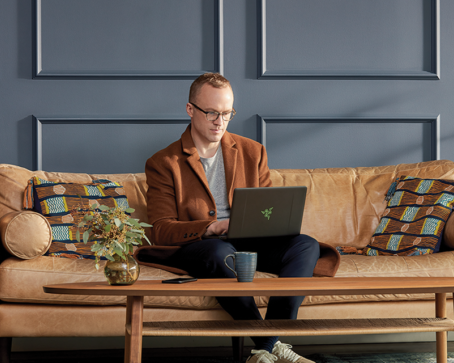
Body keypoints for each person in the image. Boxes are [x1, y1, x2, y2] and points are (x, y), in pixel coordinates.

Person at [136, 73, 339, 363]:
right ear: (190, 109)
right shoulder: (163, 162)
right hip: (203, 246)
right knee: (221, 250)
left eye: (227, 113)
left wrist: (273, 223)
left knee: (306, 244)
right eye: (211, 113)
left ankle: (266, 351)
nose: (219, 121)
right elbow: (161, 230)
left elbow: (267, 207)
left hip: (250, 242)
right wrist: (211, 226)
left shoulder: (252, 151)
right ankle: (274, 345)